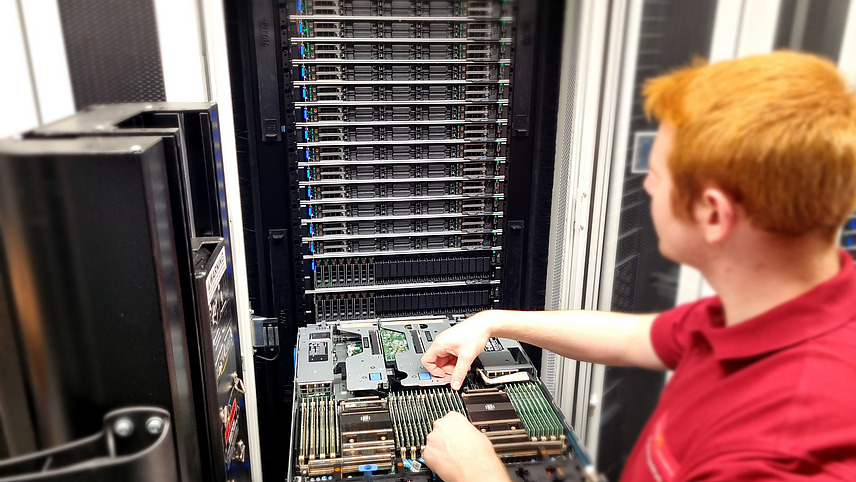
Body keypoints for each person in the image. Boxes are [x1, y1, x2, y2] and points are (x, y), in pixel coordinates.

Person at [420, 50, 856, 481]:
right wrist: (493, 321)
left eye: (657, 175)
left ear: (714, 214)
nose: (645, 186)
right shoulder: (781, 308)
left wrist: (477, 473)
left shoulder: (782, 451)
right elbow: (631, 337)